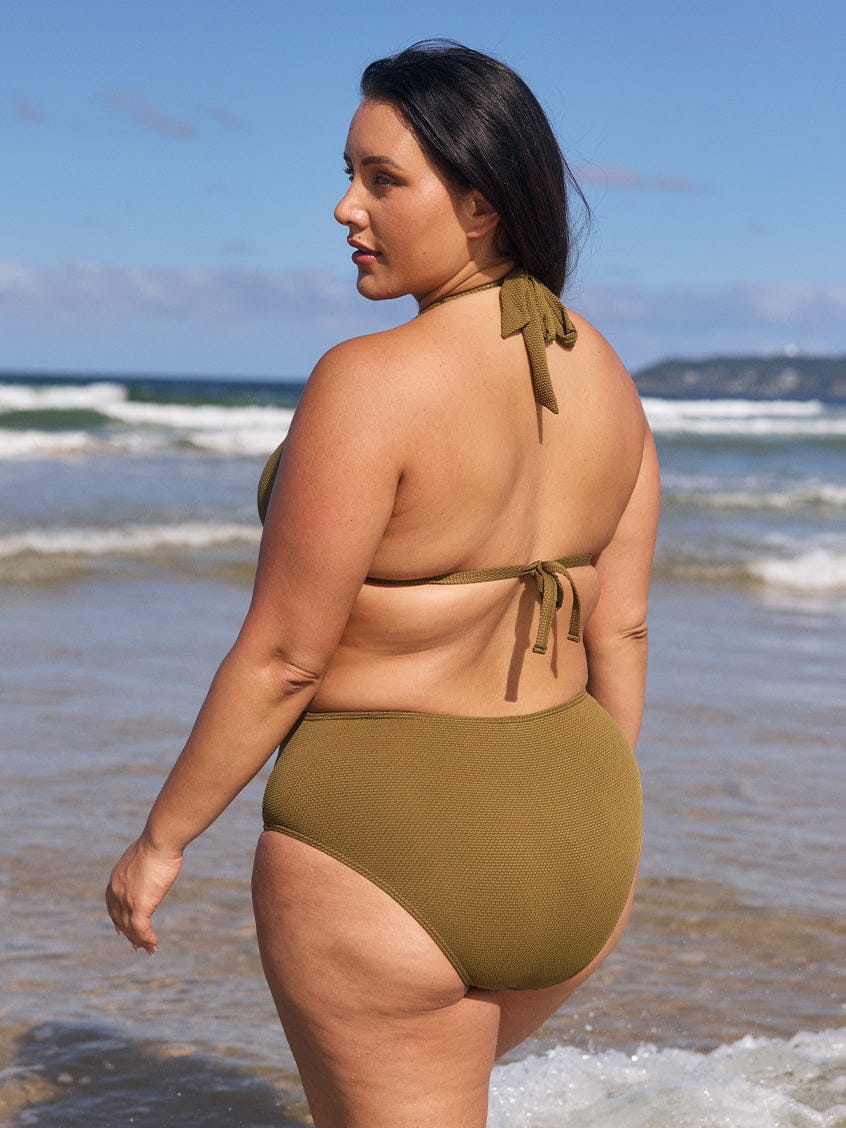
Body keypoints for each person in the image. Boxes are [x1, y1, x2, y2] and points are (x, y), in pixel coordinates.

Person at [107, 40, 660, 1127]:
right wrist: (581, 813)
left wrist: (161, 840)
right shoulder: (608, 373)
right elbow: (624, 626)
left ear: (483, 204)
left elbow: (285, 655)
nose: (343, 208)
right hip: (584, 833)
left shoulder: (367, 384)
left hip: (388, 849)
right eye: (350, 173)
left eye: (381, 179)